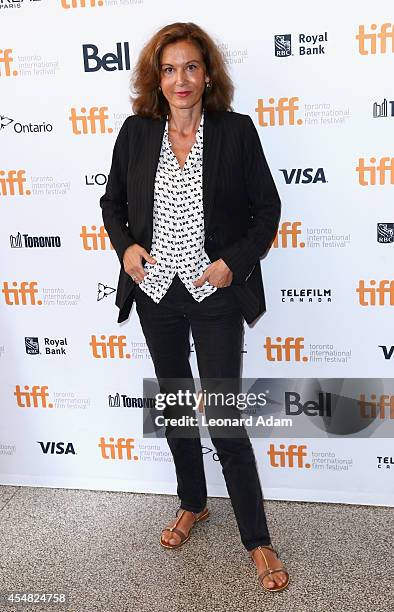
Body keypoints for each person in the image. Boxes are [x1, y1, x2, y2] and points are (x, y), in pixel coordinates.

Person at [99, 22, 289, 593]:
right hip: (155, 291)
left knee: (224, 415)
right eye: (169, 69)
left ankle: (256, 539)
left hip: (214, 293)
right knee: (178, 405)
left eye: (190, 67)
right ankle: (193, 503)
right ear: (156, 79)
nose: (180, 79)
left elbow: (267, 210)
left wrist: (235, 262)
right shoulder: (137, 132)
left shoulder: (235, 132)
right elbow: (112, 202)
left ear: (208, 76)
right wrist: (128, 245)